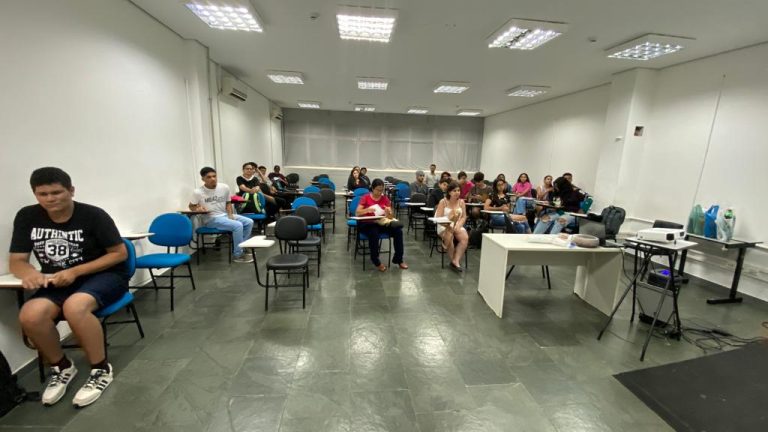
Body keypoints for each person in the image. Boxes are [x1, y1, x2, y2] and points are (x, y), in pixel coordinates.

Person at [10, 167, 127, 407]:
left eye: (56, 192)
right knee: (30, 315)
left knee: (76, 307)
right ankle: (62, 367)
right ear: (35, 194)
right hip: (57, 280)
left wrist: (75, 271)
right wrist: (29, 273)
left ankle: (100, 369)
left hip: (102, 276)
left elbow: (119, 253)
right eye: (43, 194)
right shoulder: (27, 216)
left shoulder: (93, 215)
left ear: (71, 191)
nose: (50, 199)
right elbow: (17, 261)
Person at [190, 167, 254, 262]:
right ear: (203, 179)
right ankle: (238, 255)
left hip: (224, 215)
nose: (213, 179)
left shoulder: (224, 187)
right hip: (211, 219)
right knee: (238, 225)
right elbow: (191, 206)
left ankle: (242, 247)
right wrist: (198, 208)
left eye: (214, 176)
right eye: (209, 177)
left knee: (249, 222)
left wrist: (230, 214)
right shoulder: (198, 192)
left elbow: (228, 202)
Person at [355, 179, 408, 272]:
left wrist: (389, 213)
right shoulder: (365, 197)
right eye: (378, 190)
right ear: (372, 189)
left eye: (382, 190)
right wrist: (367, 210)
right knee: (374, 233)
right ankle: (376, 261)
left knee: (398, 232)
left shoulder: (385, 198)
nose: (380, 192)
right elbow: (357, 212)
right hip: (367, 223)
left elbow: (391, 217)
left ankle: (399, 259)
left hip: (381, 223)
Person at [435, 181, 469, 272]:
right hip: (444, 225)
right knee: (449, 236)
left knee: (465, 238)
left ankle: (456, 260)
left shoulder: (461, 202)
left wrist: (458, 225)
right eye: (454, 191)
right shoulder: (443, 202)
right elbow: (438, 218)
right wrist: (448, 226)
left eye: (458, 190)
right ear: (449, 192)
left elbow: (463, 217)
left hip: (456, 224)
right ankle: (452, 260)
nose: (457, 192)